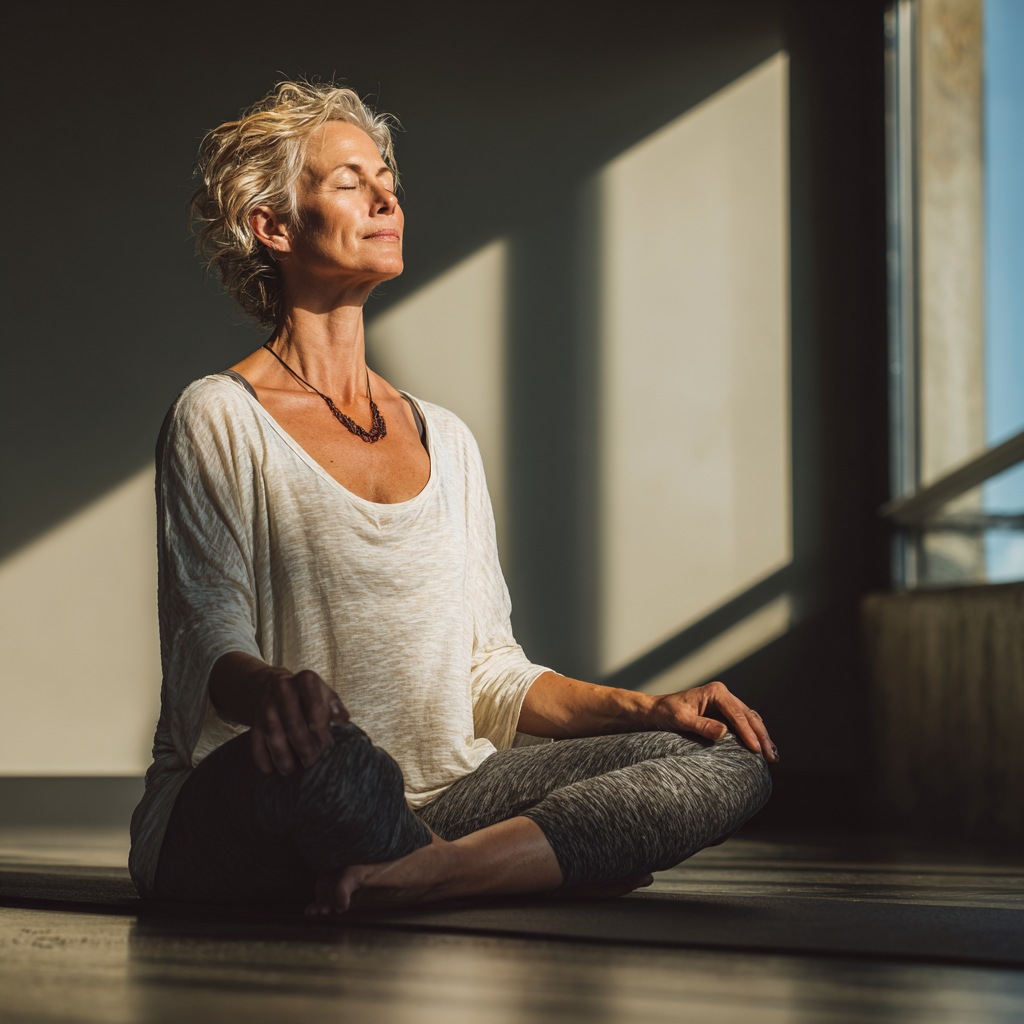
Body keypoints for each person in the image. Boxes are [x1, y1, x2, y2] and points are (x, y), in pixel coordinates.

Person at [129, 81, 776, 912]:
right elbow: (206, 650)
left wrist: (650, 708)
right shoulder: (219, 416)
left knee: (727, 755)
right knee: (340, 761)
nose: (386, 195)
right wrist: (274, 693)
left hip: (448, 798)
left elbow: (491, 676)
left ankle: (434, 870)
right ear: (275, 226)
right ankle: (523, 864)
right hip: (274, 790)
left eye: (387, 176)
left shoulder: (448, 439)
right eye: (348, 180)